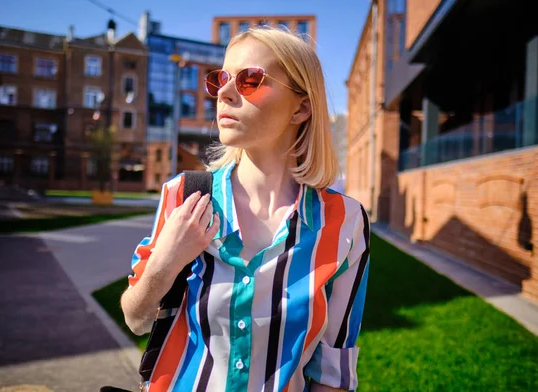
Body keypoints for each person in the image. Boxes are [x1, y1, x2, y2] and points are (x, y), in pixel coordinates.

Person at [120, 27, 370, 392]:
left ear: (301, 107)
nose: (224, 92)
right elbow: (135, 317)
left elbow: (333, 369)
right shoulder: (185, 195)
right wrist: (168, 260)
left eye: (249, 79)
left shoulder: (345, 223)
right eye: (220, 78)